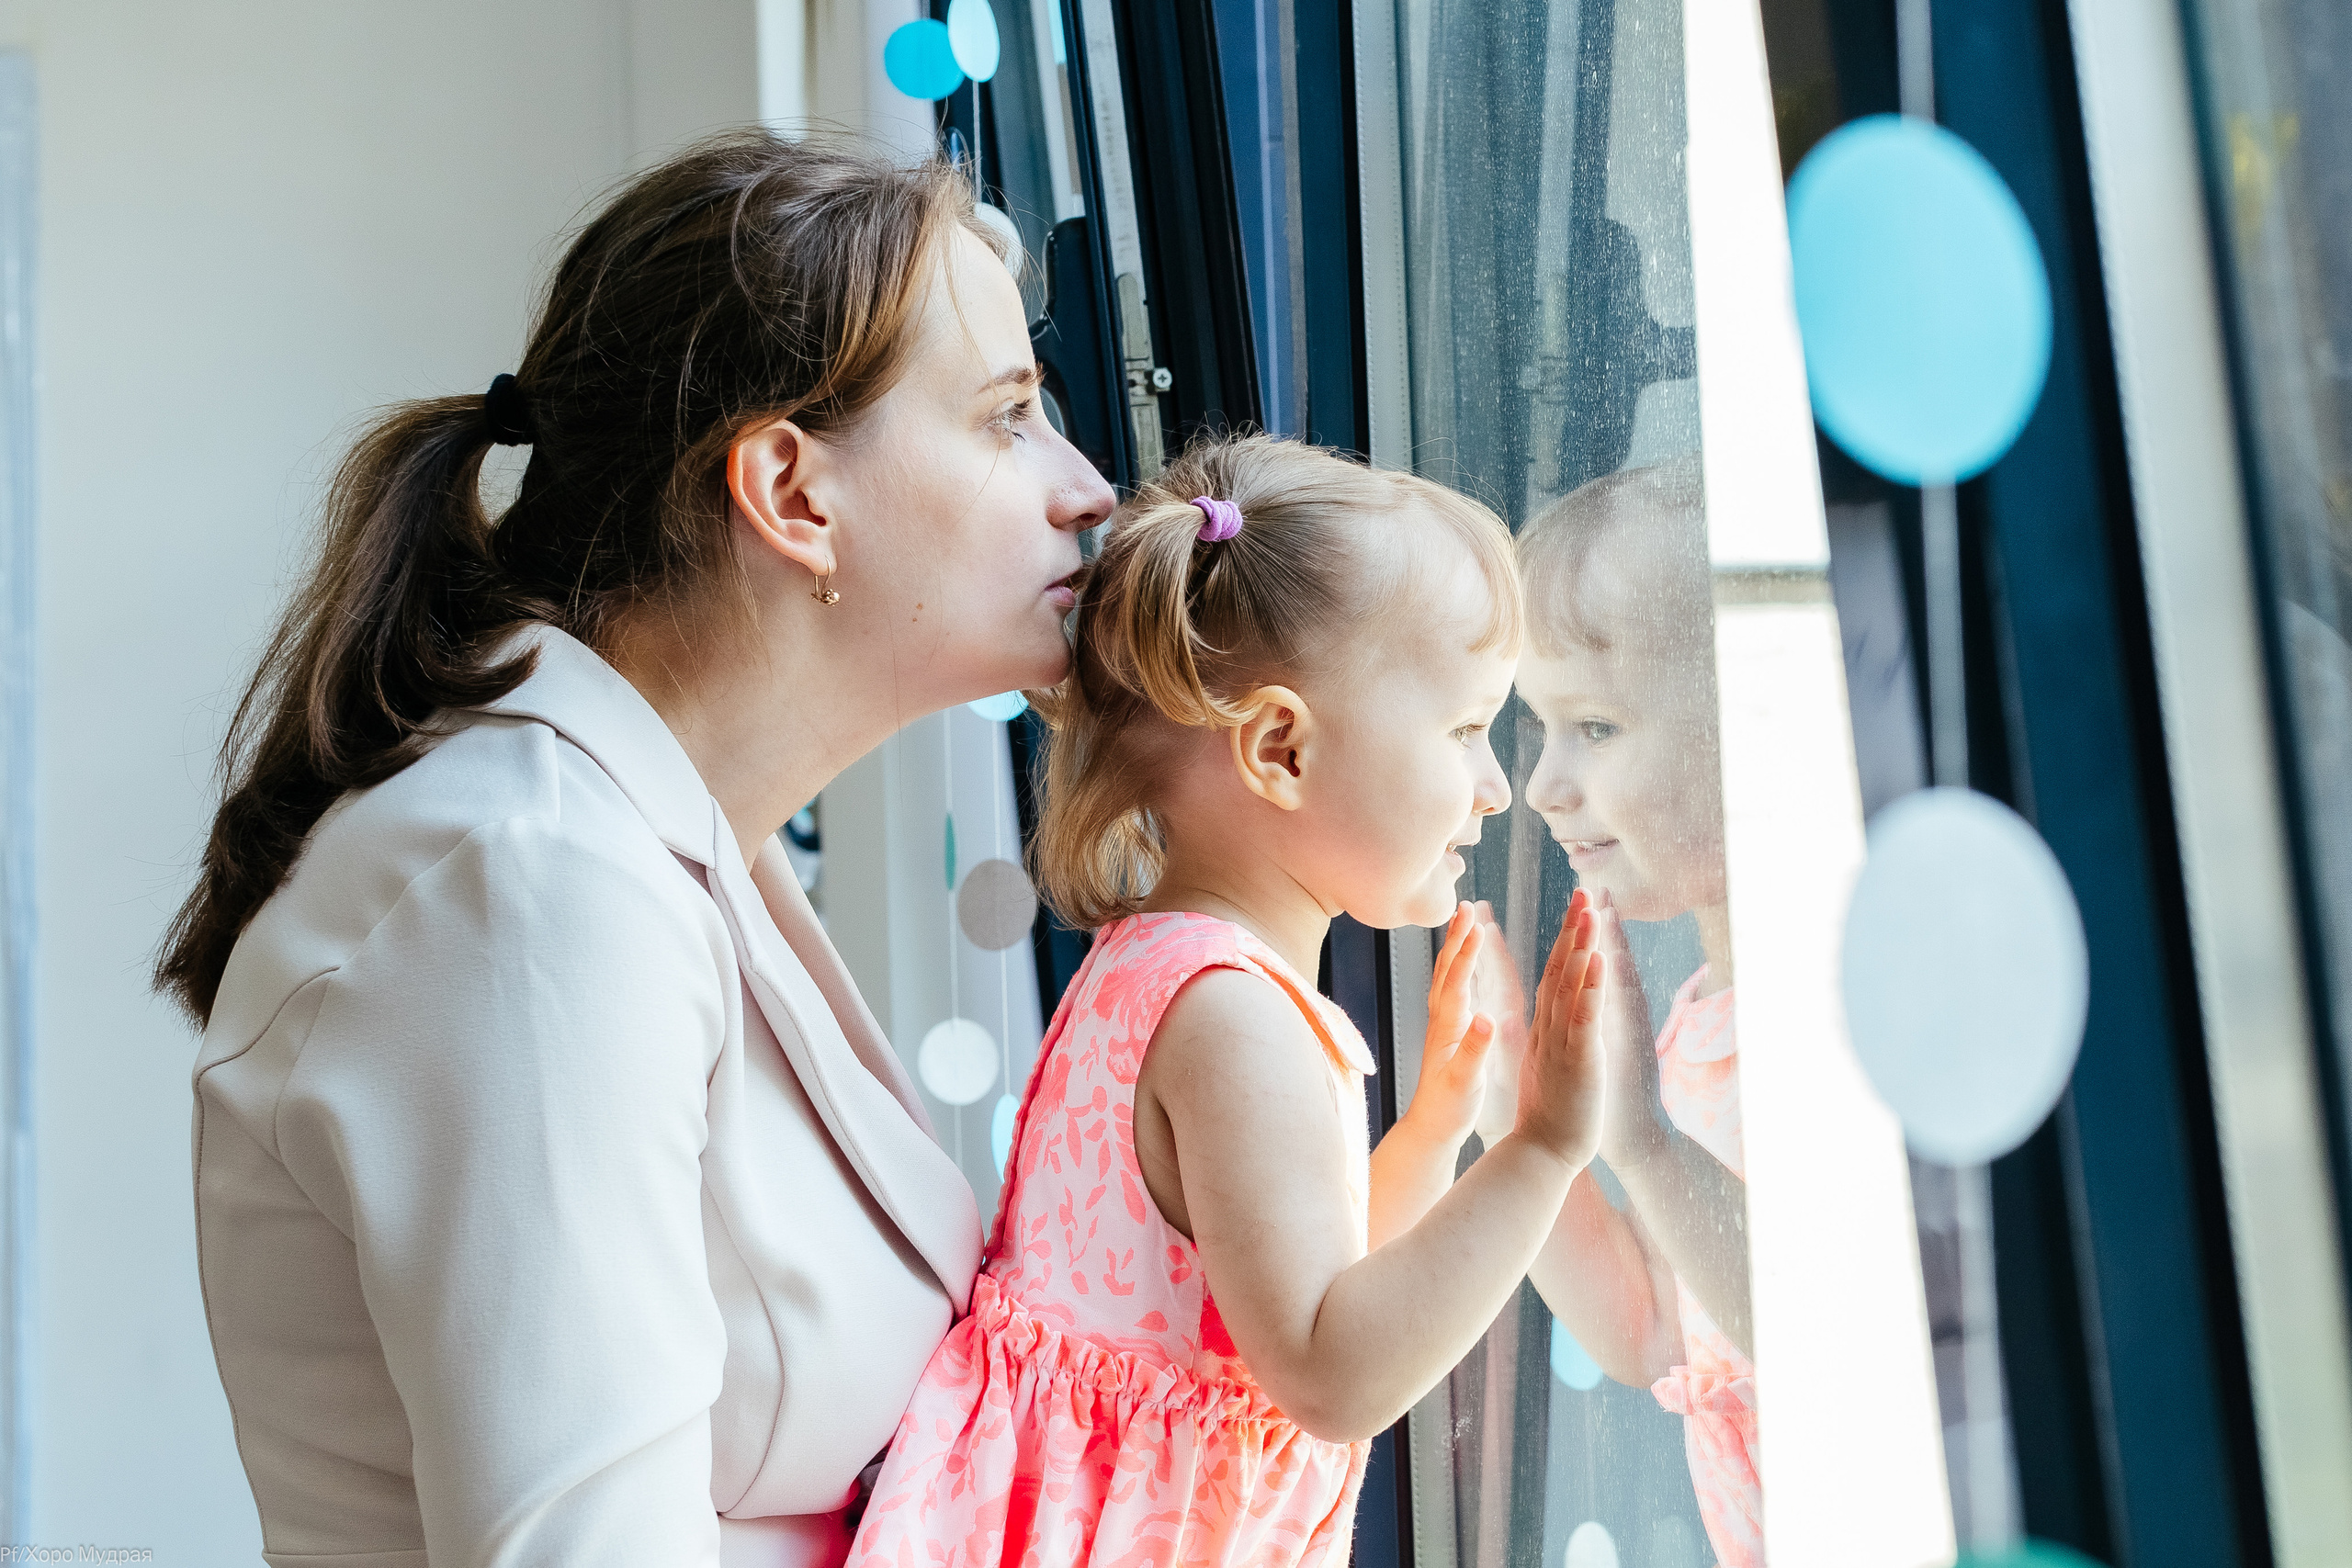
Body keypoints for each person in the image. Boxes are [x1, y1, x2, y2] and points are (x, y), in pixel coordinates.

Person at [158, 130, 1114, 1564]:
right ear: (792, 493)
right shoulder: (528, 881)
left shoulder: (650, 838)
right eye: (1006, 417)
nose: (1087, 485)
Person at [847, 433, 1611, 1568]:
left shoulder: (1153, 967)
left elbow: (1300, 1277)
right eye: (1465, 731)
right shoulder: (1235, 1022)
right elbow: (1327, 1369)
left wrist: (1440, 1130)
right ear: (1280, 751)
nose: (1495, 789)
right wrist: (1544, 1152)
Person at [1482, 458, 1761, 1565]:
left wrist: (1641, 1141)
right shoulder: (1699, 1022)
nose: (1544, 784)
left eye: (1592, 728)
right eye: (1537, 731)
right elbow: (1652, 1327)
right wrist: (1523, 1126)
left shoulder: (1822, 1034)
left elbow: (1807, 1329)